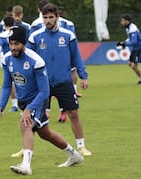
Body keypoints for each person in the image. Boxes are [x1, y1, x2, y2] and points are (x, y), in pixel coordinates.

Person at [0, 26, 83, 175]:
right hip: (24, 102)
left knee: (25, 125)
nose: (13, 48)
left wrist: (29, 109)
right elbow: (7, 85)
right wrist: (0, 108)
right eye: (11, 44)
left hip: (38, 100)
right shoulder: (7, 59)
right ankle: (74, 155)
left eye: (16, 44)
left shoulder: (36, 61)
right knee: (45, 133)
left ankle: (26, 165)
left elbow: (44, 91)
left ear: (23, 43)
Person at [27, 3, 92, 156]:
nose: (47, 20)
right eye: (45, 17)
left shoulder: (68, 35)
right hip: (42, 84)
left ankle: (81, 146)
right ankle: (25, 148)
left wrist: (83, 76)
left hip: (64, 81)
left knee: (73, 114)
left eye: (50, 17)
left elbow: (77, 57)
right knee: (32, 116)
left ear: (57, 17)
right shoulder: (35, 37)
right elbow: (28, 59)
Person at [0, 16, 19, 112]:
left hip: (8, 61)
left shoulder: (2, 35)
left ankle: (14, 105)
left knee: (10, 83)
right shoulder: (19, 33)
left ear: (4, 25)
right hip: (21, 60)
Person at [117, 14, 141, 84]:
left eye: (122, 21)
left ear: (127, 21)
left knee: (134, 65)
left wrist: (124, 44)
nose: (121, 22)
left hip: (140, 48)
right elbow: (130, 39)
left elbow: (134, 42)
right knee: (130, 64)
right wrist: (123, 43)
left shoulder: (132, 28)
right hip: (135, 48)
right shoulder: (128, 28)